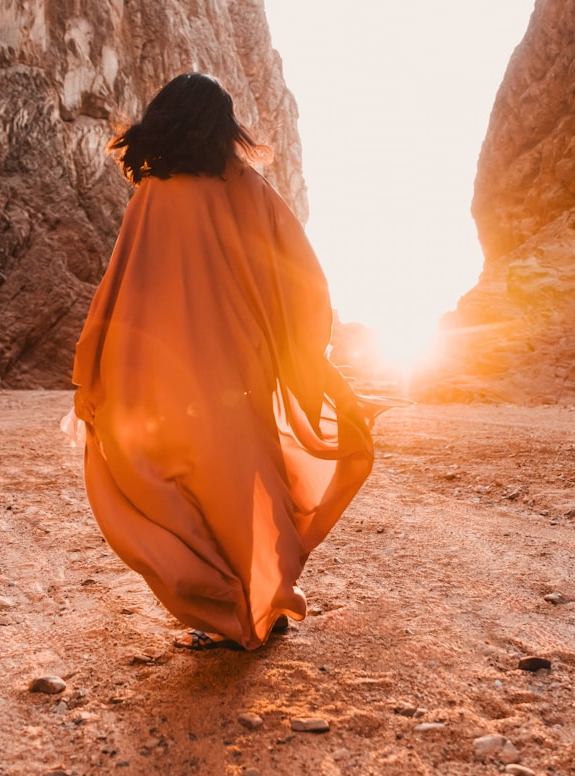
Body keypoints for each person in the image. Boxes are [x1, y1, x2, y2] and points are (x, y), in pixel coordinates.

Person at [70, 73, 390, 651]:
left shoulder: (153, 195)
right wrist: (299, 351)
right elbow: (304, 277)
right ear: (223, 127)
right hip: (243, 365)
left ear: (163, 120)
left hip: (172, 372)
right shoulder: (249, 188)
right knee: (246, 477)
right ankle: (263, 600)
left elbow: (120, 292)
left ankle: (229, 604)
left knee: (183, 483)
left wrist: (100, 371)